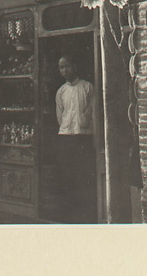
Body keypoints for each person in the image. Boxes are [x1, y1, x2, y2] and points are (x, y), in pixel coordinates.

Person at [55, 54, 97, 223]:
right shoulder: (61, 91)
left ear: (75, 66)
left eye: (67, 66)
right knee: (67, 176)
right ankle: (69, 213)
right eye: (61, 68)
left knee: (83, 176)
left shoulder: (87, 87)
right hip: (66, 138)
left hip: (83, 138)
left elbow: (94, 114)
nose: (64, 70)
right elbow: (60, 116)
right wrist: (67, 129)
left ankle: (84, 214)